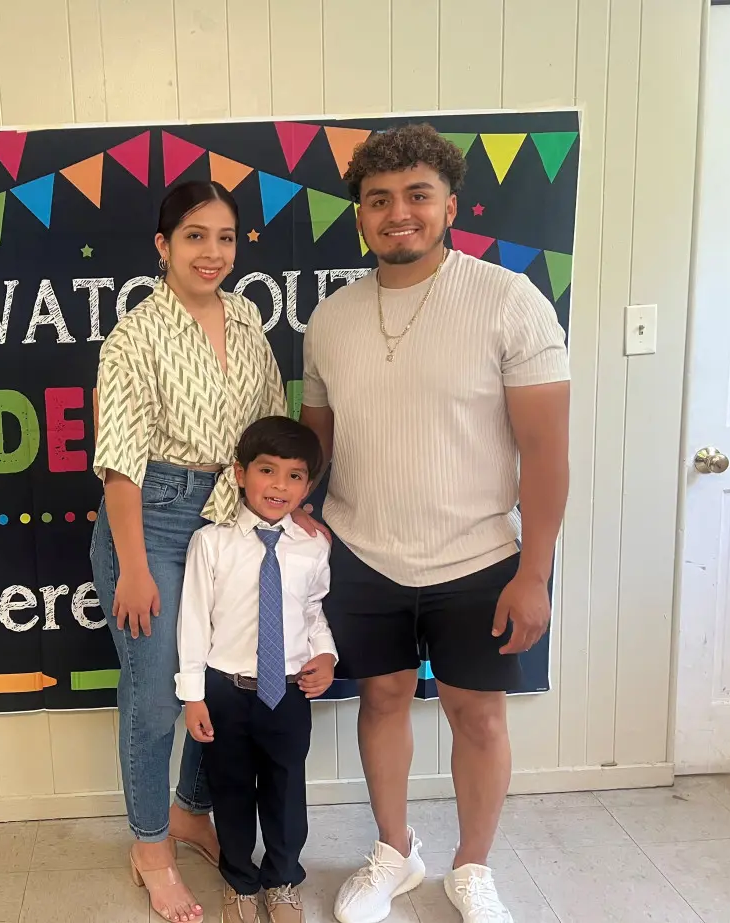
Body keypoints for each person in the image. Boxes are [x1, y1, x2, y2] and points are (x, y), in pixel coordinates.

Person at [299, 124, 570, 923]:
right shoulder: (332, 320)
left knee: (477, 713)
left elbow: (546, 455)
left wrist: (535, 572)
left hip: (480, 555)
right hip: (363, 552)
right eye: (379, 200)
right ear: (360, 217)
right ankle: (396, 850)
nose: (399, 214)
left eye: (418, 195)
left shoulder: (509, 300)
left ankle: (472, 865)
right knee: (381, 699)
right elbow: (316, 443)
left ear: (449, 205)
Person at [91, 180, 319, 922]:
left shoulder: (248, 318)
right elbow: (121, 463)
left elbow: (267, 432)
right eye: (194, 236)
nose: (211, 252)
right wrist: (131, 564)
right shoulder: (135, 335)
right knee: (157, 690)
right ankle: (151, 845)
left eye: (224, 237)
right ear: (163, 246)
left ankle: (192, 808)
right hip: (151, 520)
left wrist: (290, 504)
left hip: (231, 519)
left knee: (221, 680)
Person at [176, 416, 337, 923]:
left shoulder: (313, 546)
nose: (280, 486)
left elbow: (313, 612)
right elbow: (194, 622)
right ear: (241, 474)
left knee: (287, 790)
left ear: (308, 485)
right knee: (232, 791)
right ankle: (240, 883)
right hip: (227, 691)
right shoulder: (212, 543)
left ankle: (283, 880)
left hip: (288, 692)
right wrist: (193, 694)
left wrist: (327, 656)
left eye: (294, 476)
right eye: (268, 471)